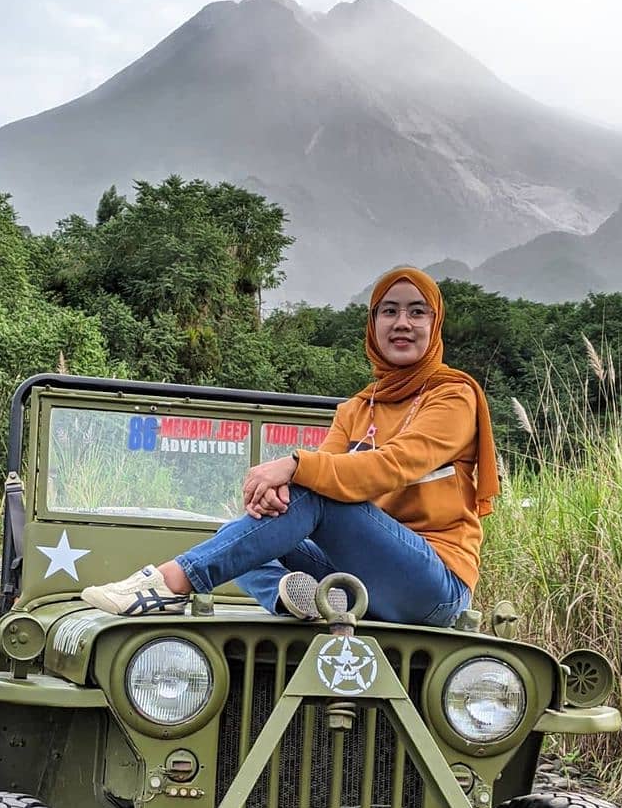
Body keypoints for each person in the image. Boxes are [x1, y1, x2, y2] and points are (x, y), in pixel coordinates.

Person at [81, 266, 500, 625]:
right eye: (389, 311)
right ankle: (303, 600)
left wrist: (292, 467)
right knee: (239, 534)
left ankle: (171, 582)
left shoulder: (452, 396)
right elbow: (323, 473)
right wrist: (279, 493)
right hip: (357, 580)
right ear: (373, 325)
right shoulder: (357, 408)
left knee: (316, 496)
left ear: (435, 323)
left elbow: (395, 465)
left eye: (417, 312)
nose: (402, 322)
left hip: (432, 584)